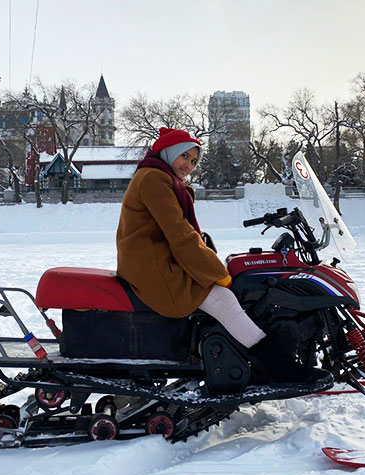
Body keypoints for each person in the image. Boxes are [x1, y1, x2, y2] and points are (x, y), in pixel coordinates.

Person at [116, 127, 304, 383]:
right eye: (184, 157)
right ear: (169, 153)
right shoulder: (154, 179)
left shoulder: (160, 177)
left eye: (194, 161)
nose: (188, 165)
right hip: (154, 268)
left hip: (157, 261)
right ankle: (278, 368)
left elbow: (181, 234)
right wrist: (218, 274)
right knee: (224, 299)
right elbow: (180, 234)